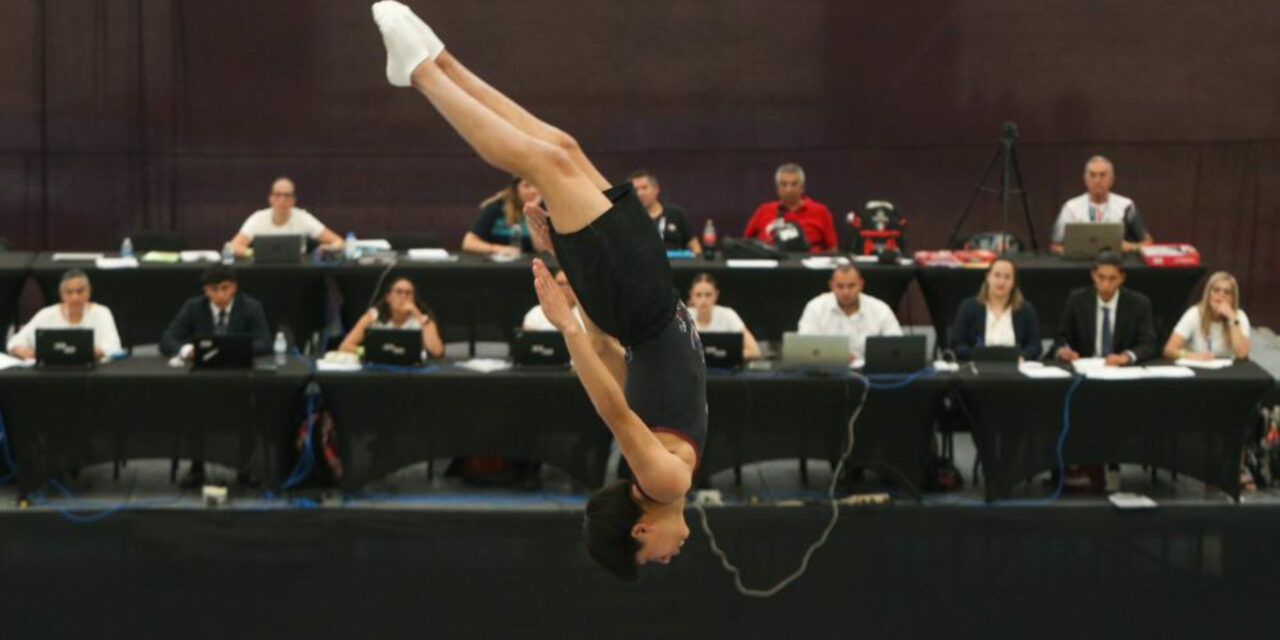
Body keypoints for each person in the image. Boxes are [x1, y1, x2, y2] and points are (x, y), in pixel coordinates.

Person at [372, 1, 701, 578]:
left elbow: (610, 407)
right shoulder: (664, 461)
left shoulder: (665, 479)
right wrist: (564, 261)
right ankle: (440, 60)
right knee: (563, 150)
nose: (670, 557)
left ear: (639, 529)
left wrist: (566, 320)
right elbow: (612, 358)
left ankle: (424, 74)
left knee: (545, 162)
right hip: (637, 297)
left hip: (638, 298)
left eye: (653, 557)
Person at [1052, 251, 1158, 366]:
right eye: (1101, 277)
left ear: (1122, 278)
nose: (1106, 284)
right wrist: (1063, 351)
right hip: (1086, 366)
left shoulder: (1138, 304)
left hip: (1122, 368)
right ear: (1093, 275)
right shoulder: (1077, 300)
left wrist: (1127, 356)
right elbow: (1061, 338)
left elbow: (1148, 344)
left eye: (1112, 278)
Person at [159, 265, 272, 358]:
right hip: (203, 367)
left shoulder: (251, 307)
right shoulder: (193, 307)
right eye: (214, 289)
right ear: (206, 290)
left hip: (237, 366)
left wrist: (233, 350)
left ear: (234, 288)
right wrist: (188, 351)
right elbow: (167, 340)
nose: (220, 295)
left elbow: (265, 343)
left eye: (225, 288)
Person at [7, 269, 121, 360]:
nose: (75, 297)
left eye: (80, 291)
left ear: (89, 292)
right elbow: (14, 342)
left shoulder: (102, 312)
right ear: (61, 295)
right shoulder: (47, 314)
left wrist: (84, 354)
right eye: (69, 292)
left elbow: (114, 346)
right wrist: (29, 353)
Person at [1050, 156, 1154, 253]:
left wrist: (1131, 246)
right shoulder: (1071, 208)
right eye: (1092, 175)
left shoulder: (1126, 206)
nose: (1097, 180)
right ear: (1085, 180)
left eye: (1102, 175)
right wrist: (1074, 252)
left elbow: (1148, 243)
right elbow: (1055, 247)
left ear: (1112, 180)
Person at [797, 265, 902, 359]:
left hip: (871, 373)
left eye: (851, 286)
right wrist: (835, 355)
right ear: (831, 285)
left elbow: (896, 345)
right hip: (827, 373)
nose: (846, 292)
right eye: (840, 286)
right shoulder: (815, 308)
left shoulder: (880, 309)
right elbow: (804, 346)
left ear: (861, 284)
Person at [949, 258, 1042, 361]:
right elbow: (957, 344)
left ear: (1014, 282)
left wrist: (1022, 357)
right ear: (988, 277)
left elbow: (1035, 346)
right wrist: (977, 357)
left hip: (1015, 370)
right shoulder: (969, 307)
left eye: (1007, 277)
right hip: (978, 370)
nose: (1001, 282)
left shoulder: (1026, 310)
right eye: (997, 275)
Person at [227, 177, 344, 258]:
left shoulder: (304, 218)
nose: (282, 200)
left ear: (294, 200)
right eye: (278, 195)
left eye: (287, 195)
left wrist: (328, 248)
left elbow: (338, 241)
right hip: (263, 273)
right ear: (270, 198)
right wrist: (253, 253)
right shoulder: (257, 218)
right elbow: (233, 246)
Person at [339, 276, 444, 358]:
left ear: (414, 298)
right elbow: (345, 346)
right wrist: (371, 352)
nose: (403, 297)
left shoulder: (423, 319)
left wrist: (417, 314)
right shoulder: (372, 317)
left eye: (408, 293)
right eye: (399, 292)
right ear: (388, 297)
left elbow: (437, 352)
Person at [742, 163, 837, 253]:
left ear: (802, 187)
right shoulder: (764, 210)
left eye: (794, 184)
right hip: (771, 266)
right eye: (784, 184)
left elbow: (832, 249)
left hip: (808, 266)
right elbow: (745, 243)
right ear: (777, 188)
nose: (789, 189)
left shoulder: (820, 211)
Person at [1164, 271, 1250, 360]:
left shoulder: (1239, 316)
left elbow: (1242, 355)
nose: (1221, 295)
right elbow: (1169, 350)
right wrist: (1193, 356)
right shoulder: (1194, 314)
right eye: (1216, 290)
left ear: (1233, 298)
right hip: (1199, 367)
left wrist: (1232, 318)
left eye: (1227, 292)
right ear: (1208, 294)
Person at [686, 273, 759, 359]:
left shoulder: (728, 314)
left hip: (724, 371)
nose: (703, 300)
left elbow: (754, 351)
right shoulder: (684, 316)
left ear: (716, 295)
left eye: (708, 295)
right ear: (691, 295)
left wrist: (727, 355)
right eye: (698, 295)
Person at [628, 170, 701, 255]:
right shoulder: (628, 219)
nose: (640, 193)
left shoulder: (676, 214)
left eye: (644, 188)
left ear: (656, 189)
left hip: (675, 266)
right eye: (635, 190)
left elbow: (696, 249)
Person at [461, 176, 539, 255]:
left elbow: (540, 248)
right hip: (500, 263)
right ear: (516, 188)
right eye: (526, 186)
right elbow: (468, 243)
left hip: (532, 264)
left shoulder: (544, 209)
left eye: (537, 186)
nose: (533, 191)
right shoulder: (497, 207)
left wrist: (530, 214)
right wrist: (498, 249)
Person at [522, 267, 585, 332]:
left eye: (570, 284)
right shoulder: (535, 313)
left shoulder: (587, 316)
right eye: (561, 283)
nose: (566, 288)